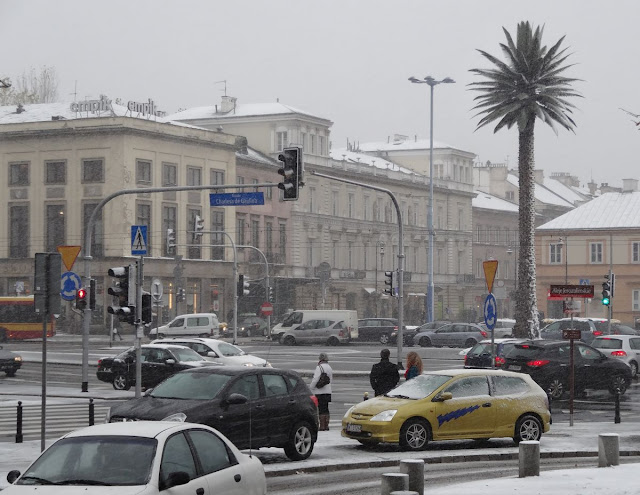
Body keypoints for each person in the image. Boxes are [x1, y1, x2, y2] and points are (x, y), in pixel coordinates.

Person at [310, 352, 333, 431]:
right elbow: (330, 380)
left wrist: (311, 388)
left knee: (321, 409)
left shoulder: (319, 367)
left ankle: (322, 426)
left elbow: (315, 379)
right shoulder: (329, 367)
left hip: (320, 391)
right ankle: (326, 425)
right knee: (326, 408)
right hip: (328, 391)